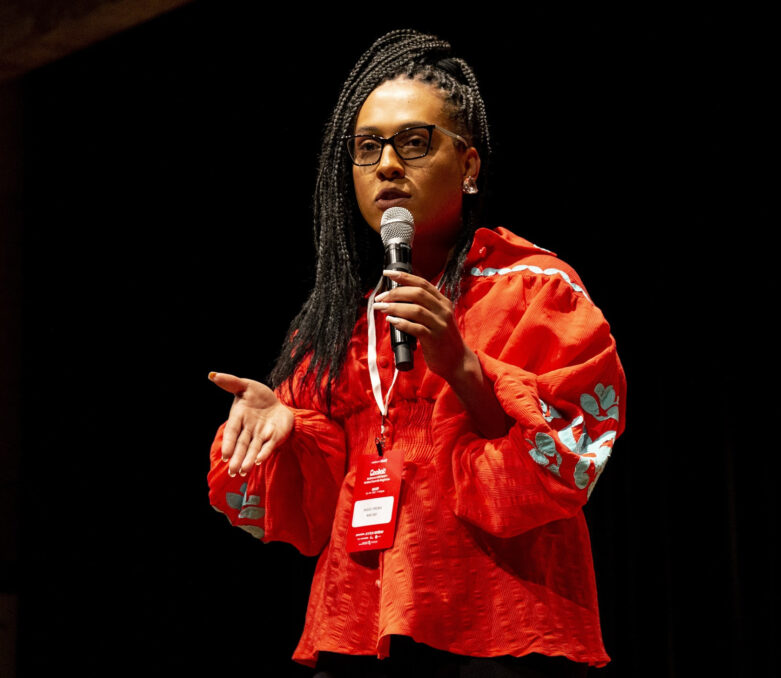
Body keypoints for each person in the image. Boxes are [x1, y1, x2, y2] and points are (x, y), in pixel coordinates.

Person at [206, 30, 626, 678]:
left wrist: (462, 366)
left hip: (502, 627)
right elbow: (310, 512)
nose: (386, 166)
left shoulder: (536, 290)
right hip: (356, 627)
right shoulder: (336, 322)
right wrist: (286, 428)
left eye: (413, 142)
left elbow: (565, 461)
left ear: (469, 165)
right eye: (367, 148)